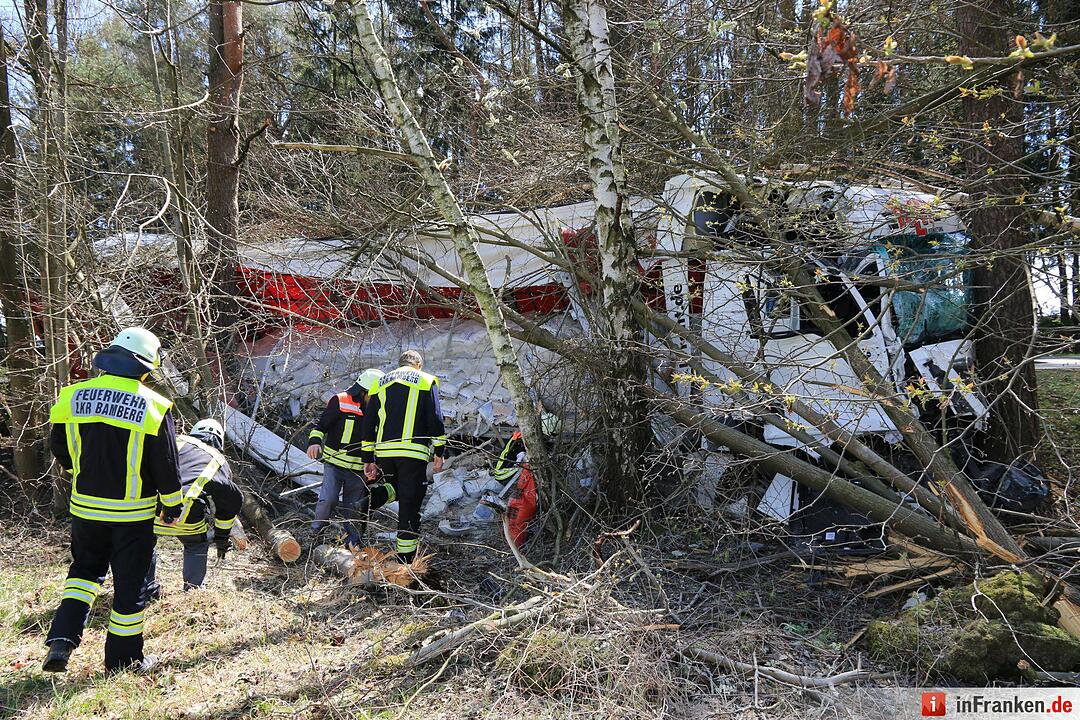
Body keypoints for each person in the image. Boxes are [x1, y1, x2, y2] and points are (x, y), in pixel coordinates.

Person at [43, 327, 183, 674]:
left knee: (84, 572)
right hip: (131, 515)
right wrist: (171, 504)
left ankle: (61, 640)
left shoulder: (72, 396)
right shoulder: (154, 405)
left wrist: (80, 470)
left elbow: (59, 446)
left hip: (85, 509)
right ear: (146, 367)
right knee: (130, 587)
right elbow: (165, 463)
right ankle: (124, 661)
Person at [360, 350, 446, 563]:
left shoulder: (379, 383)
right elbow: (435, 417)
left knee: (395, 488)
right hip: (413, 453)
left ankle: (370, 500)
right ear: (418, 365)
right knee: (410, 503)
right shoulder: (426, 380)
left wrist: (368, 458)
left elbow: (369, 422)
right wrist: (439, 451)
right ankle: (406, 559)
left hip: (385, 452)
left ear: (399, 364)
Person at [145, 419, 242, 594]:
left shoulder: (176, 440)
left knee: (145, 542)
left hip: (153, 506)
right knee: (196, 544)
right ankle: (193, 590)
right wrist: (221, 537)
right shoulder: (219, 461)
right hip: (186, 514)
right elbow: (230, 501)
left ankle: (145, 588)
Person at [306, 368, 384, 547]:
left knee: (354, 507)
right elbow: (320, 426)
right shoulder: (341, 401)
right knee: (328, 499)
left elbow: (378, 441)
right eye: (375, 396)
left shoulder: (379, 411)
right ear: (364, 392)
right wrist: (314, 442)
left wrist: (377, 465)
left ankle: (352, 542)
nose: (378, 400)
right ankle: (315, 534)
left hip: (359, 470)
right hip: (334, 465)